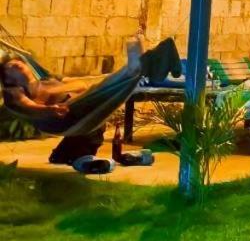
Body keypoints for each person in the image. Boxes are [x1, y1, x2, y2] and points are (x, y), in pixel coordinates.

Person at [1, 36, 181, 167]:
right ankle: (139, 67)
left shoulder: (48, 79)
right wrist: (48, 110)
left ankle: (151, 61)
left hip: (81, 103)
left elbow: (80, 84)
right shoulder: (13, 91)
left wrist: (61, 88)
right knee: (107, 86)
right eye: (11, 66)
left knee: (102, 85)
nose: (18, 64)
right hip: (61, 115)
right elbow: (27, 106)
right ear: (7, 79)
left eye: (20, 62)